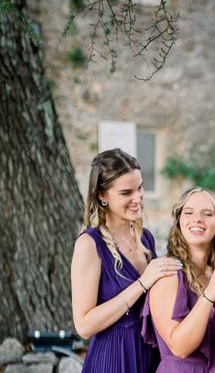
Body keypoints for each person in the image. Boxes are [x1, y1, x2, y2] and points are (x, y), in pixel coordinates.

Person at [71, 148, 181, 372]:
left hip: (149, 355)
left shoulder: (145, 238)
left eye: (139, 188)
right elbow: (83, 325)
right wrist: (142, 283)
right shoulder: (90, 244)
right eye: (126, 193)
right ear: (102, 196)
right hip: (113, 359)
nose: (137, 198)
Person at [142, 188, 215, 372]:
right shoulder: (168, 273)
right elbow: (179, 347)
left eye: (207, 214)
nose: (197, 219)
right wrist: (210, 294)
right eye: (188, 212)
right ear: (179, 221)